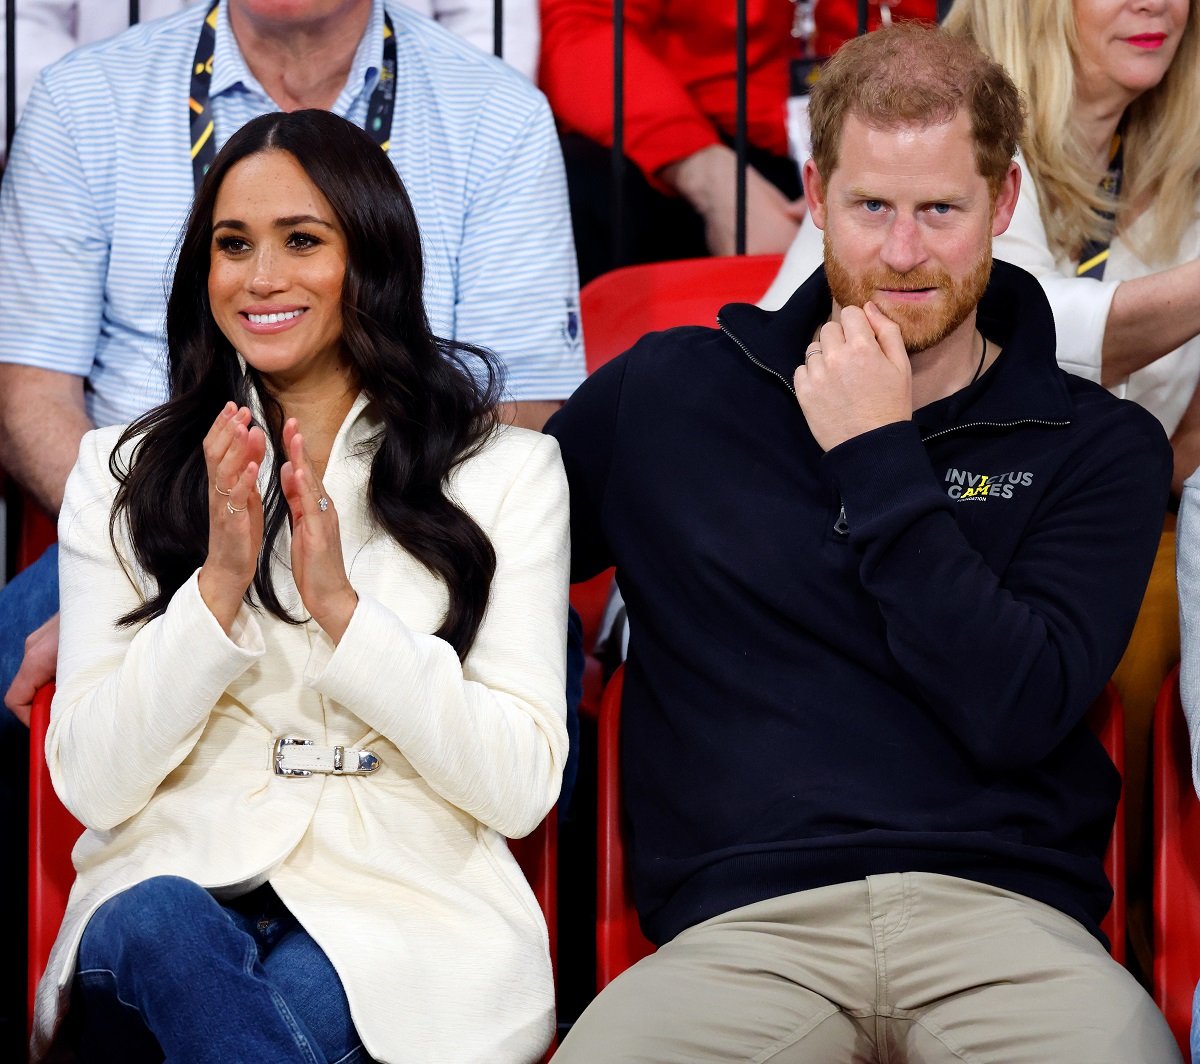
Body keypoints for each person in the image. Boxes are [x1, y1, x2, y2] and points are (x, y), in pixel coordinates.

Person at [547, 23, 1179, 1062]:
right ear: (816, 192)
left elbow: (1016, 709)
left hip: (1008, 927)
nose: (901, 252)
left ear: (1004, 205)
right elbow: (475, 558)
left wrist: (877, 449)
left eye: (940, 211)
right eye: (871, 208)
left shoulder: (1099, 441)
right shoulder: (671, 393)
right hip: (741, 933)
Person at [30, 107, 568, 1063]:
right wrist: (217, 588)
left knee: (270, 1012)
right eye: (234, 245)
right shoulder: (118, 472)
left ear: (373, 259)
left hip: (403, 912)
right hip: (171, 892)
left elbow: (520, 788)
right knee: (161, 926)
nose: (262, 277)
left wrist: (347, 617)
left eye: (302, 241)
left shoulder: (506, 475)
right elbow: (92, 780)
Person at [762, 0, 1200, 973]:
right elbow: (1061, 343)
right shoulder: (923, 126)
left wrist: (1109, 520)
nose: (1156, 3)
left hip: (1084, 534)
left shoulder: (1182, 151)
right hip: (849, 533)